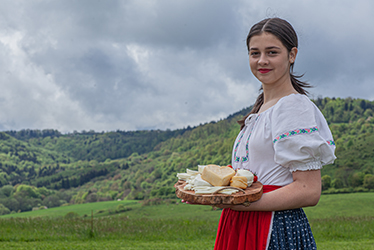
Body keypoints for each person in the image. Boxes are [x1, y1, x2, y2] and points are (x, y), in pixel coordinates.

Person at [212, 18, 336, 249]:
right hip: (241, 222)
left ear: (292, 55)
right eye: (254, 53)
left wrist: (241, 203)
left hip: (273, 227)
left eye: (272, 52)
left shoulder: (293, 107)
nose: (262, 61)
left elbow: (308, 190)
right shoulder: (261, 109)